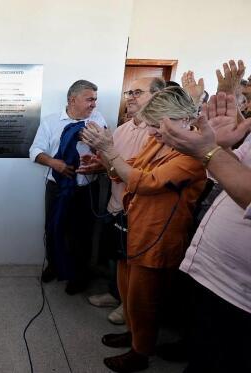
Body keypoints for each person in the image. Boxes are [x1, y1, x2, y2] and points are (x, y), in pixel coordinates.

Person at [82, 86, 207, 372]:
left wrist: (109, 150)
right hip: (134, 229)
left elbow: (142, 182)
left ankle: (141, 352)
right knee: (128, 292)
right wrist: (105, 157)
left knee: (144, 301)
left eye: (156, 126)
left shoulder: (191, 156)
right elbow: (127, 169)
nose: (151, 133)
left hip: (158, 237)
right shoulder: (158, 142)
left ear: (180, 120)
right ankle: (133, 335)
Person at [159, 92, 251, 373]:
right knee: (202, 352)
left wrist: (209, 151)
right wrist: (221, 147)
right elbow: (227, 175)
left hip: (241, 295)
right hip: (214, 277)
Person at [82, 77, 166, 326]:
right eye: (129, 92)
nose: (130, 96)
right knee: (116, 256)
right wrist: (99, 163)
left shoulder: (159, 132)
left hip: (139, 210)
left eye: (137, 92)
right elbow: (113, 164)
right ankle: (115, 294)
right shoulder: (123, 128)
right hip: (116, 204)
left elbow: (141, 174)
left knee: (133, 262)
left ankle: (129, 307)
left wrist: (111, 160)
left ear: (157, 96)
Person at [29, 79, 107, 294]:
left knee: (81, 234)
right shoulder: (51, 122)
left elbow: (107, 151)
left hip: (86, 189)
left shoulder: (98, 121)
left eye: (95, 99)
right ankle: (54, 266)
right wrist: (54, 162)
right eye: (89, 99)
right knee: (54, 228)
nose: (94, 104)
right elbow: (35, 151)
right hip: (57, 188)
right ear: (73, 99)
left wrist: (98, 158)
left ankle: (78, 276)